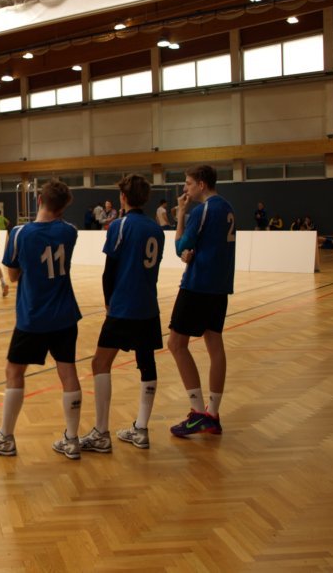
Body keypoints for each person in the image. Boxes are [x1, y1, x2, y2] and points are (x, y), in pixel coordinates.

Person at [0, 180, 82, 460]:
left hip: (34, 316)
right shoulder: (70, 232)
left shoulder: (20, 233)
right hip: (65, 314)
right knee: (68, 372)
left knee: (14, 371)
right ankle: (72, 439)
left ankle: (6, 437)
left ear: (39, 200)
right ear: (63, 208)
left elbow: (12, 276)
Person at [80, 174, 164, 453]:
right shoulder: (156, 229)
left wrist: (108, 303)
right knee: (147, 363)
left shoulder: (119, 225)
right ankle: (141, 429)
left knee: (100, 363)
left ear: (123, 197)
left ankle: (101, 432)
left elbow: (109, 271)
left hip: (123, 306)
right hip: (148, 307)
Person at [167, 164, 235, 438]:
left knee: (176, 344)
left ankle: (197, 413)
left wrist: (181, 215)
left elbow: (179, 247)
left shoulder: (201, 210)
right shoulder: (228, 207)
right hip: (220, 286)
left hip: (198, 285)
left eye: (188, 183)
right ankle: (213, 413)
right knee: (214, 344)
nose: (185, 188)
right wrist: (191, 251)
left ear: (201, 184)